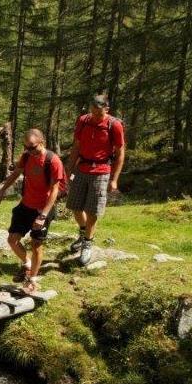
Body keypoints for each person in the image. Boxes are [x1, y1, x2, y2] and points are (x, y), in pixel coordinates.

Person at [0, 129, 65, 293]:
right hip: (25, 205)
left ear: (42, 142)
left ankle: (32, 279)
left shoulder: (53, 161)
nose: (29, 151)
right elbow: (16, 173)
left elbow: (55, 190)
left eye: (32, 147)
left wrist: (43, 215)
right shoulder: (26, 156)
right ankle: (27, 264)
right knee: (12, 240)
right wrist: (2, 190)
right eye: (26, 147)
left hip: (43, 208)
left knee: (36, 244)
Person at [65, 95, 126, 264]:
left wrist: (114, 179)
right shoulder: (83, 121)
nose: (95, 116)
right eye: (92, 112)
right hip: (82, 168)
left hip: (101, 170)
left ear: (107, 109)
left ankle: (87, 244)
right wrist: (68, 170)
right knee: (75, 206)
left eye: (98, 113)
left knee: (93, 211)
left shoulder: (114, 125)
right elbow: (76, 146)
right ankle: (83, 233)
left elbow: (120, 154)